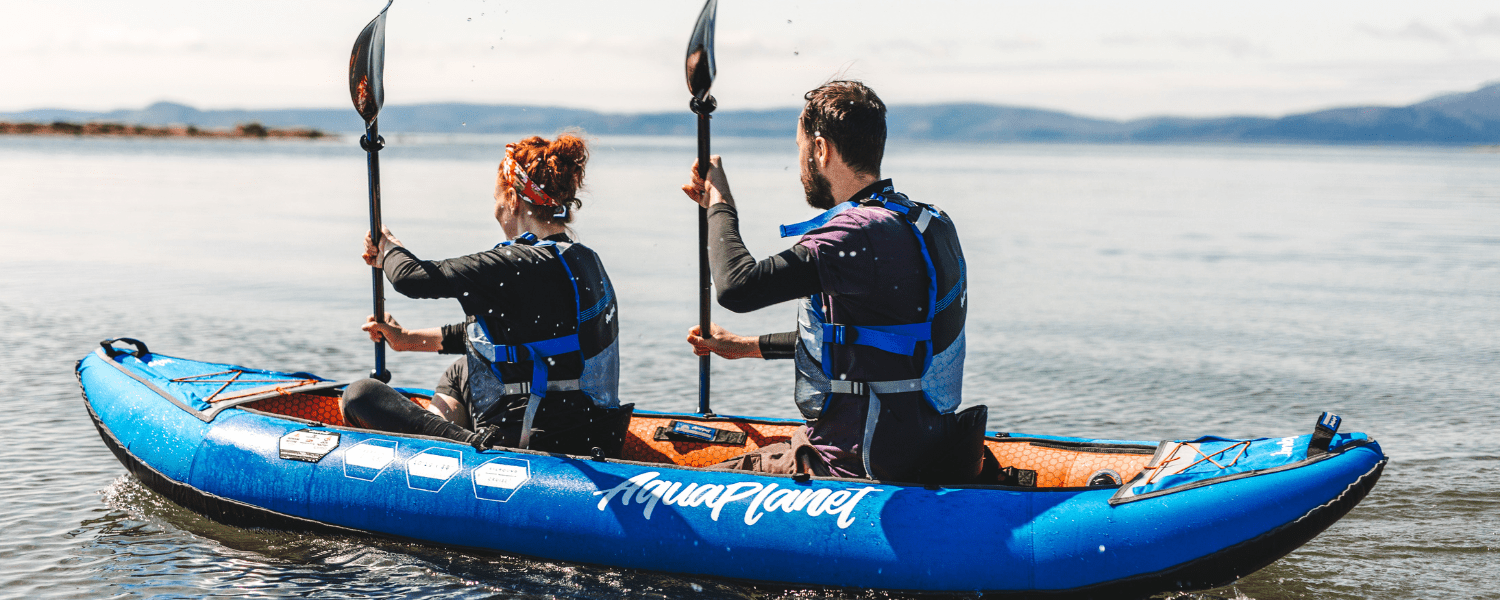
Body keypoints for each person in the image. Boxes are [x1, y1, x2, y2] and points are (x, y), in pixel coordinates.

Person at [682, 80, 985, 483]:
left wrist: (719, 202)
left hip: (857, 463)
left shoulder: (855, 233)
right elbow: (868, 343)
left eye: (801, 149)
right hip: (926, 449)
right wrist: (742, 347)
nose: (802, 164)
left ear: (821, 150)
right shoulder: (926, 222)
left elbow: (737, 286)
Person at [341, 134, 631, 456]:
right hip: (596, 429)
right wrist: (406, 338)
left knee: (360, 394)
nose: (496, 210)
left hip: (539, 444)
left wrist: (387, 247)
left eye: (496, 199)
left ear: (512, 198)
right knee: (461, 371)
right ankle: (440, 436)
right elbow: (510, 336)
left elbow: (411, 278)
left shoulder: (519, 263)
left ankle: (451, 448)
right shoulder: (581, 258)